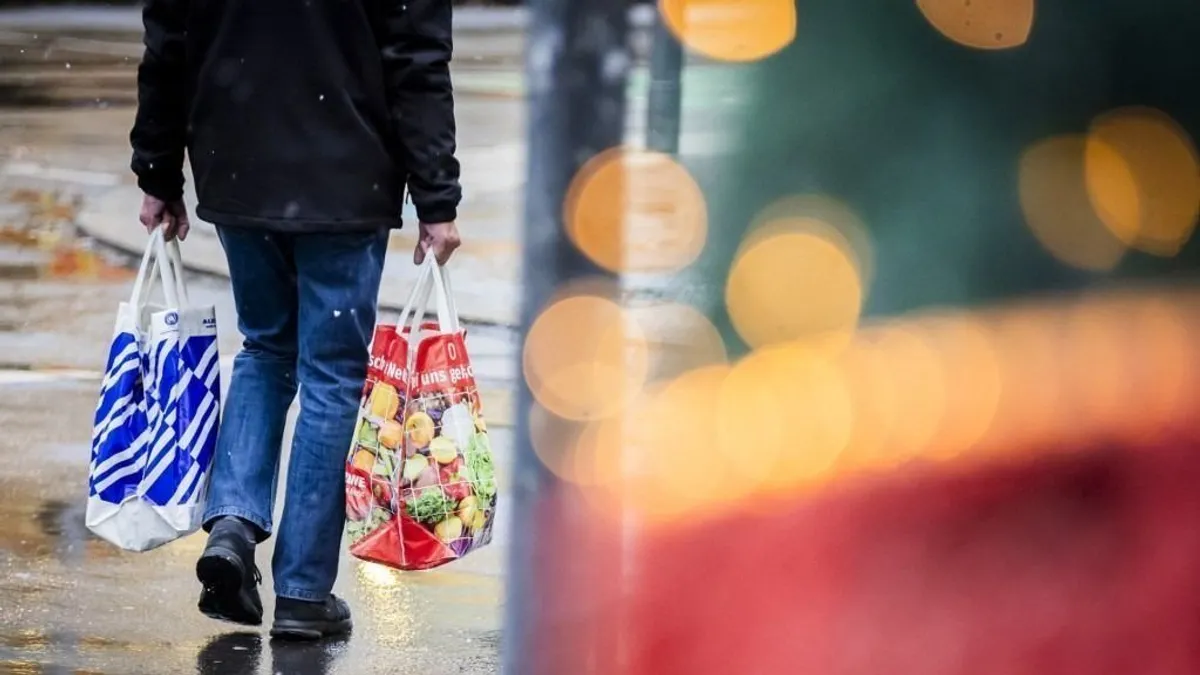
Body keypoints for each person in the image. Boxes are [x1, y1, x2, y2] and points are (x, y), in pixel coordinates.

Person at [129, 0, 462, 640]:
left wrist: (158, 168)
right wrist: (437, 196)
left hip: (237, 160)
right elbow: (417, 58)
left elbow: (170, 36)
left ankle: (232, 523)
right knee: (333, 375)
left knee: (265, 348)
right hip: (346, 168)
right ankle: (305, 592)